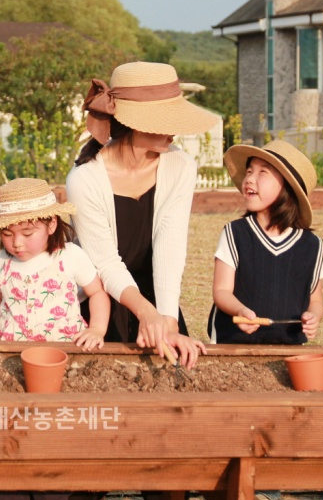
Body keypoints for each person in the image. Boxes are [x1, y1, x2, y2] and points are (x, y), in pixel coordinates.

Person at [66, 61, 216, 369]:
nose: (174, 132)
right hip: (101, 300)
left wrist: (167, 321)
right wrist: (146, 313)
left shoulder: (181, 166)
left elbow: (169, 247)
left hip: (156, 294)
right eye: (164, 120)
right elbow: (105, 262)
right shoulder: (84, 179)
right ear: (132, 123)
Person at [0, 177, 110, 350]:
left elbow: (97, 293)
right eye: (8, 234)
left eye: (27, 233)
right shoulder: (3, 260)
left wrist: (97, 329)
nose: (16, 243)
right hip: (9, 346)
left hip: (62, 346)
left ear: (51, 224)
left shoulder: (69, 255)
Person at [207, 139, 323, 344]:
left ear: (287, 188)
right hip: (233, 345)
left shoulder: (312, 245)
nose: (250, 179)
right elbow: (221, 291)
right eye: (250, 171)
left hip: (289, 349)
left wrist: (314, 316)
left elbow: (315, 300)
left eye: (263, 172)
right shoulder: (235, 233)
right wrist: (240, 310)